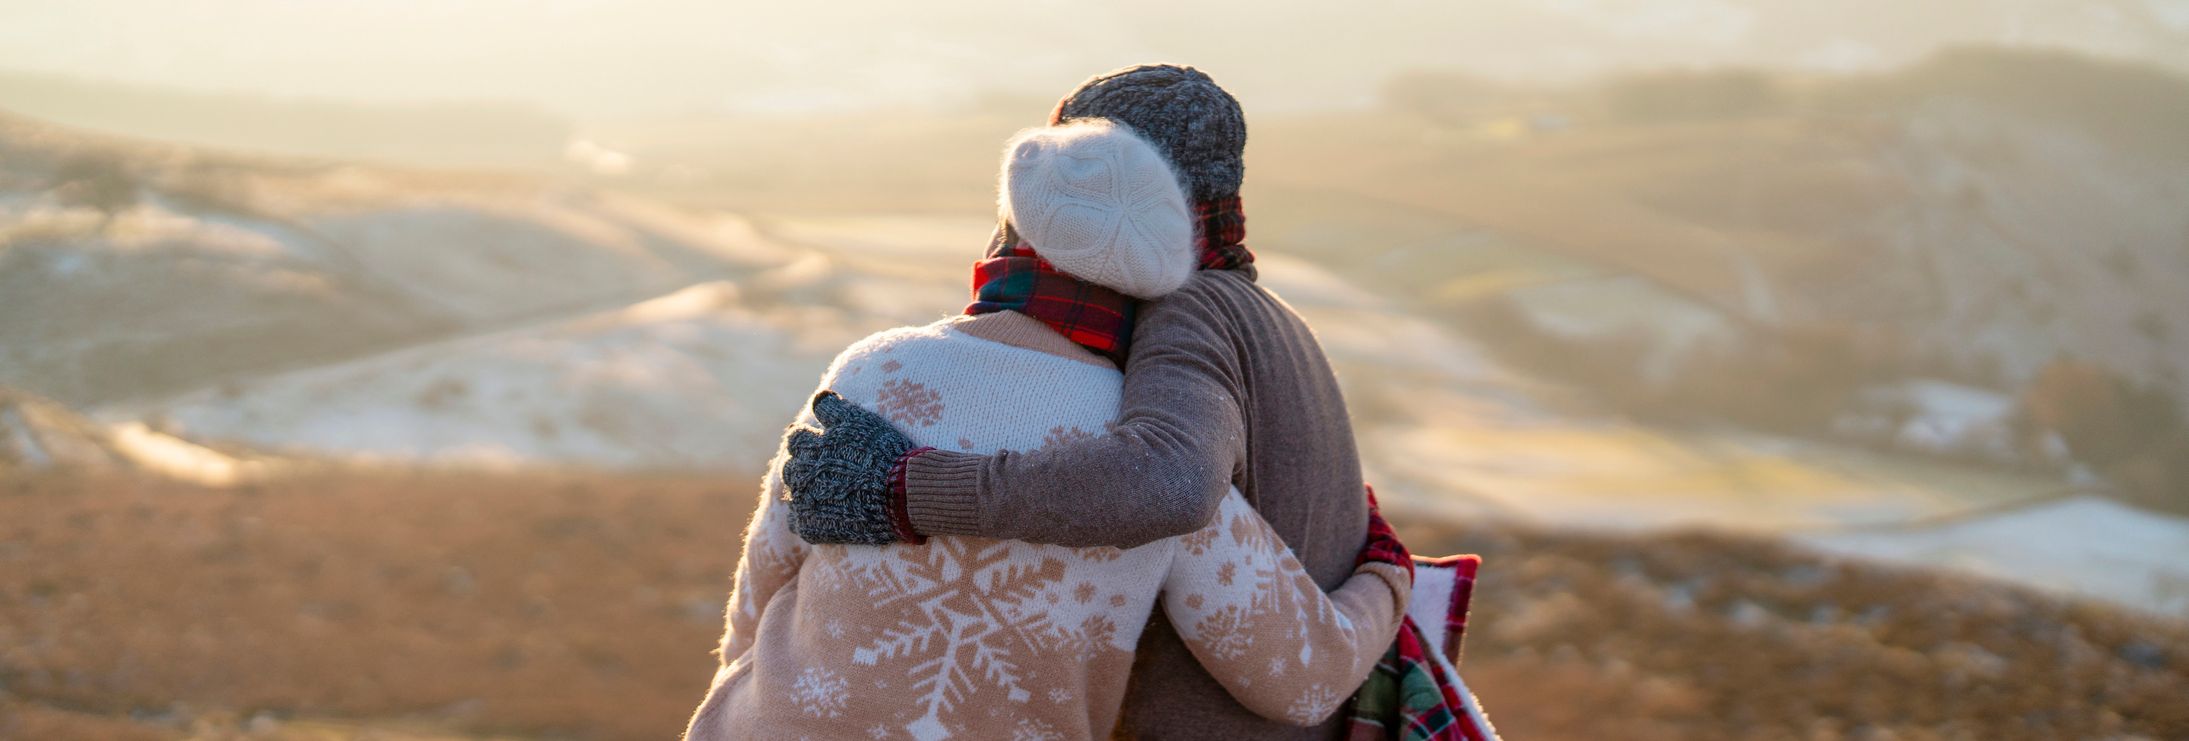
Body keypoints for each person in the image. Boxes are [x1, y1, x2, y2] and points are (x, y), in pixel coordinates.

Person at [684, 120, 1410, 741]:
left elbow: (761, 587)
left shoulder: (871, 370)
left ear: (1012, 227)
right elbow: (1299, 681)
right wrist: (1385, 573)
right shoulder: (1150, 461)